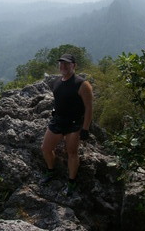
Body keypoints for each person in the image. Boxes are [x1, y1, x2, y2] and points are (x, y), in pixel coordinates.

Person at [41, 53, 93, 196]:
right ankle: (51, 171)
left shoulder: (82, 84)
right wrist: (54, 110)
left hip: (74, 124)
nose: (63, 66)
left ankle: (71, 181)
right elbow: (60, 99)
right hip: (58, 120)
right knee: (45, 148)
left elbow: (89, 108)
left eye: (67, 64)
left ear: (74, 65)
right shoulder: (57, 81)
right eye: (61, 64)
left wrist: (85, 128)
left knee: (71, 153)